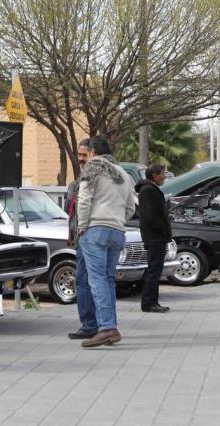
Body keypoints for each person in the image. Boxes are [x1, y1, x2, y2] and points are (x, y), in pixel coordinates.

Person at [74, 135, 135, 348]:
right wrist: (118, 220)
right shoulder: (123, 173)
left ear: (92, 152)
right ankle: (111, 327)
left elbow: (84, 198)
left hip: (95, 229)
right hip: (117, 231)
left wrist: (82, 227)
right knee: (108, 279)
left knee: (97, 279)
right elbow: (131, 207)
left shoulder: (92, 167)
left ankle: (107, 328)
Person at [65, 139, 101, 341]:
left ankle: (90, 325)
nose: (80, 159)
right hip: (80, 237)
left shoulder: (93, 179)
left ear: (93, 154)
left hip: (88, 236)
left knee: (87, 281)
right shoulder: (79, 180)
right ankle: (96, 324)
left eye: (84, 155)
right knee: (89, 281)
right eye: (78, 155)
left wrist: (82, 230)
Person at [136, 164, 172, 313]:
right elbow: (150, 217)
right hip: (154, 237)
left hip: (157, 237)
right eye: (163, 173)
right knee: (154, 270)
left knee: (155, 270)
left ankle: (152, 301)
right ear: (154, 175)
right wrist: (163, 229)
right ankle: (149, 303)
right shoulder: (148, 191)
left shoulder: (151, 189)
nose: (164, 176)